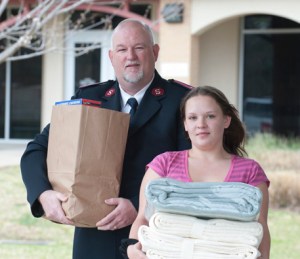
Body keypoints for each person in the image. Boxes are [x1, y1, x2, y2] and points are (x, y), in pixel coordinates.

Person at [20, 19, 191, 259]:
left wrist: (139, 205)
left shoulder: (183, 101)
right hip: (93, 238)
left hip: (155, 237)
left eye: (139, 48)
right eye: (122, 49)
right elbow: (37, 149)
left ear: (155, 52)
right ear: (111, 57)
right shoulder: (90, 97)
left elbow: (193, 170)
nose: (130, 56)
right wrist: (42, 194)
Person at [125, 86, 271, 259]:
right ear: (185, 124)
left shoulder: (250, 171)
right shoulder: (164, 164)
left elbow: (260, 229)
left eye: (210, 116)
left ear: (226, 120)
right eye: (193, 118)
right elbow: (143, 218)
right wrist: (131, 249)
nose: (201, 124)